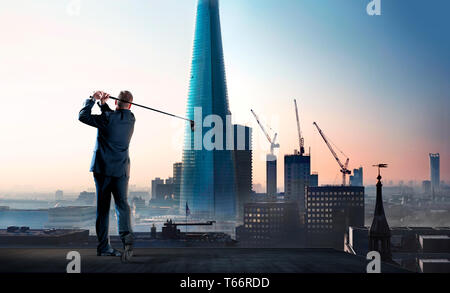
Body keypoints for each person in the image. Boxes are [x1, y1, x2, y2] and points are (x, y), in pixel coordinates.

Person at [78, 90, 135, 262]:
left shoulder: (107, 118)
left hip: (103, 170)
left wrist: (92, 100)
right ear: (130, 105)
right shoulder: (131, 118)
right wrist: (103, 105)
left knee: (103, 209)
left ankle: (104, 246)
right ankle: (128, 243)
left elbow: (83, 116)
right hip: (121, 171)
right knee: (122, 206)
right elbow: (114, 115)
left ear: (116, 103)